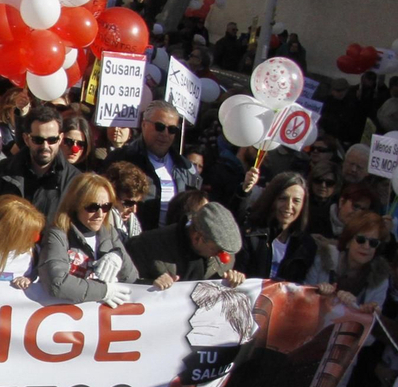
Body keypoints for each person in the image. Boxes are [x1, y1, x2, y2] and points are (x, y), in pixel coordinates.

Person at [38, 173, 139, 305]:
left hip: (100, 320)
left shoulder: (109, 232)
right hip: (67, 316)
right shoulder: (58, 233)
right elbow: (57, 283)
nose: (100, 214)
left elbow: (132, 279)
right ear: (76, 205)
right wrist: (104, 291)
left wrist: (118, 256)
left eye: (106, 207)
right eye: (92, 207)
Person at [106, 101, 200, 229]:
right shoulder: (121, 159)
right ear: (144, 124)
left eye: (172, 129)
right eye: (160, 127)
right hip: (131, 239)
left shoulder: (185, 167)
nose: (165, 134)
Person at [0, 103, 79, 219]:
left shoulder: (74, 180)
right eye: (38, 140)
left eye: (52, 140)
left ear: (60, 139)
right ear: (26, 139)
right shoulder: (3, 171)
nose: (45, 146)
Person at [127, 202, 247, 288]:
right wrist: (151, 284)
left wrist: (232, 281)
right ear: (197, 238)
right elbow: (126, 283)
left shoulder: (225, 257)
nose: (223, 255)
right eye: (217, 250)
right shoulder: (148, 246)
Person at [236, 172, 315, 281]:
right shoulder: (251, 234)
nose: (288, 206)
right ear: (272, 199)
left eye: (296, 201)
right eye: (283, 198)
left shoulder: (306, 245)